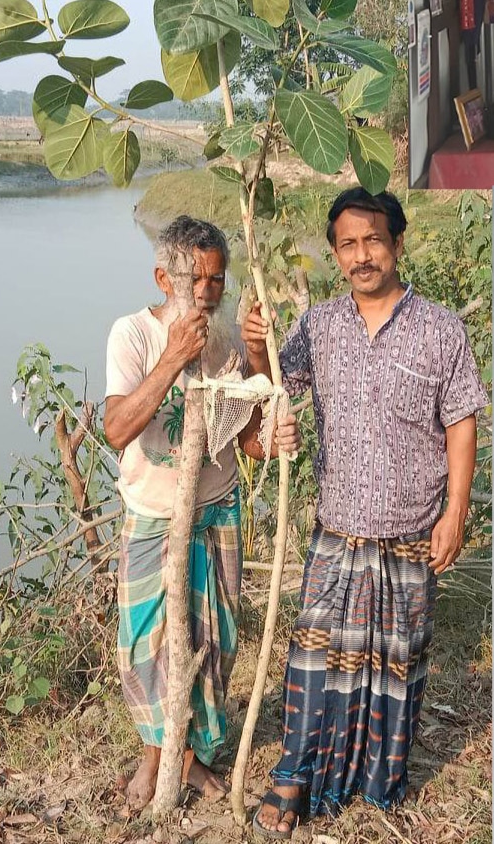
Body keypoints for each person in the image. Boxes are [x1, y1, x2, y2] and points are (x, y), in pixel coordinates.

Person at [241, 188, 488, 838]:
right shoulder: (318, 326)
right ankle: (295, 775)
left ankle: (377, 780)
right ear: (335, 254)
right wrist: (257, 348)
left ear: (397, 243)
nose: (361, 255)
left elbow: (461, 420)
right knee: (312, 658)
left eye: (373, 240)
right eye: (347, 244)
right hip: (338, 530)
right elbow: (274, 388)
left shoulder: (440, 329)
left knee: (395, 664)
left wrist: (456, 509)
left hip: (411, 530)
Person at [104, 215, 300, 810]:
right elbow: (117, 429)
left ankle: (192, 757)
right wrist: (172, 359)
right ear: (164, 279)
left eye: (217, 279)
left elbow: (251, 442)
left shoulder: (229, 340)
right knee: (144, 645)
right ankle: (157, 752)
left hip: (216, 509)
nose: (209, 291)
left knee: (216, 641)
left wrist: (260, 366)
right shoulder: (133, 335)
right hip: (152, 514)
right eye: (196, 279)